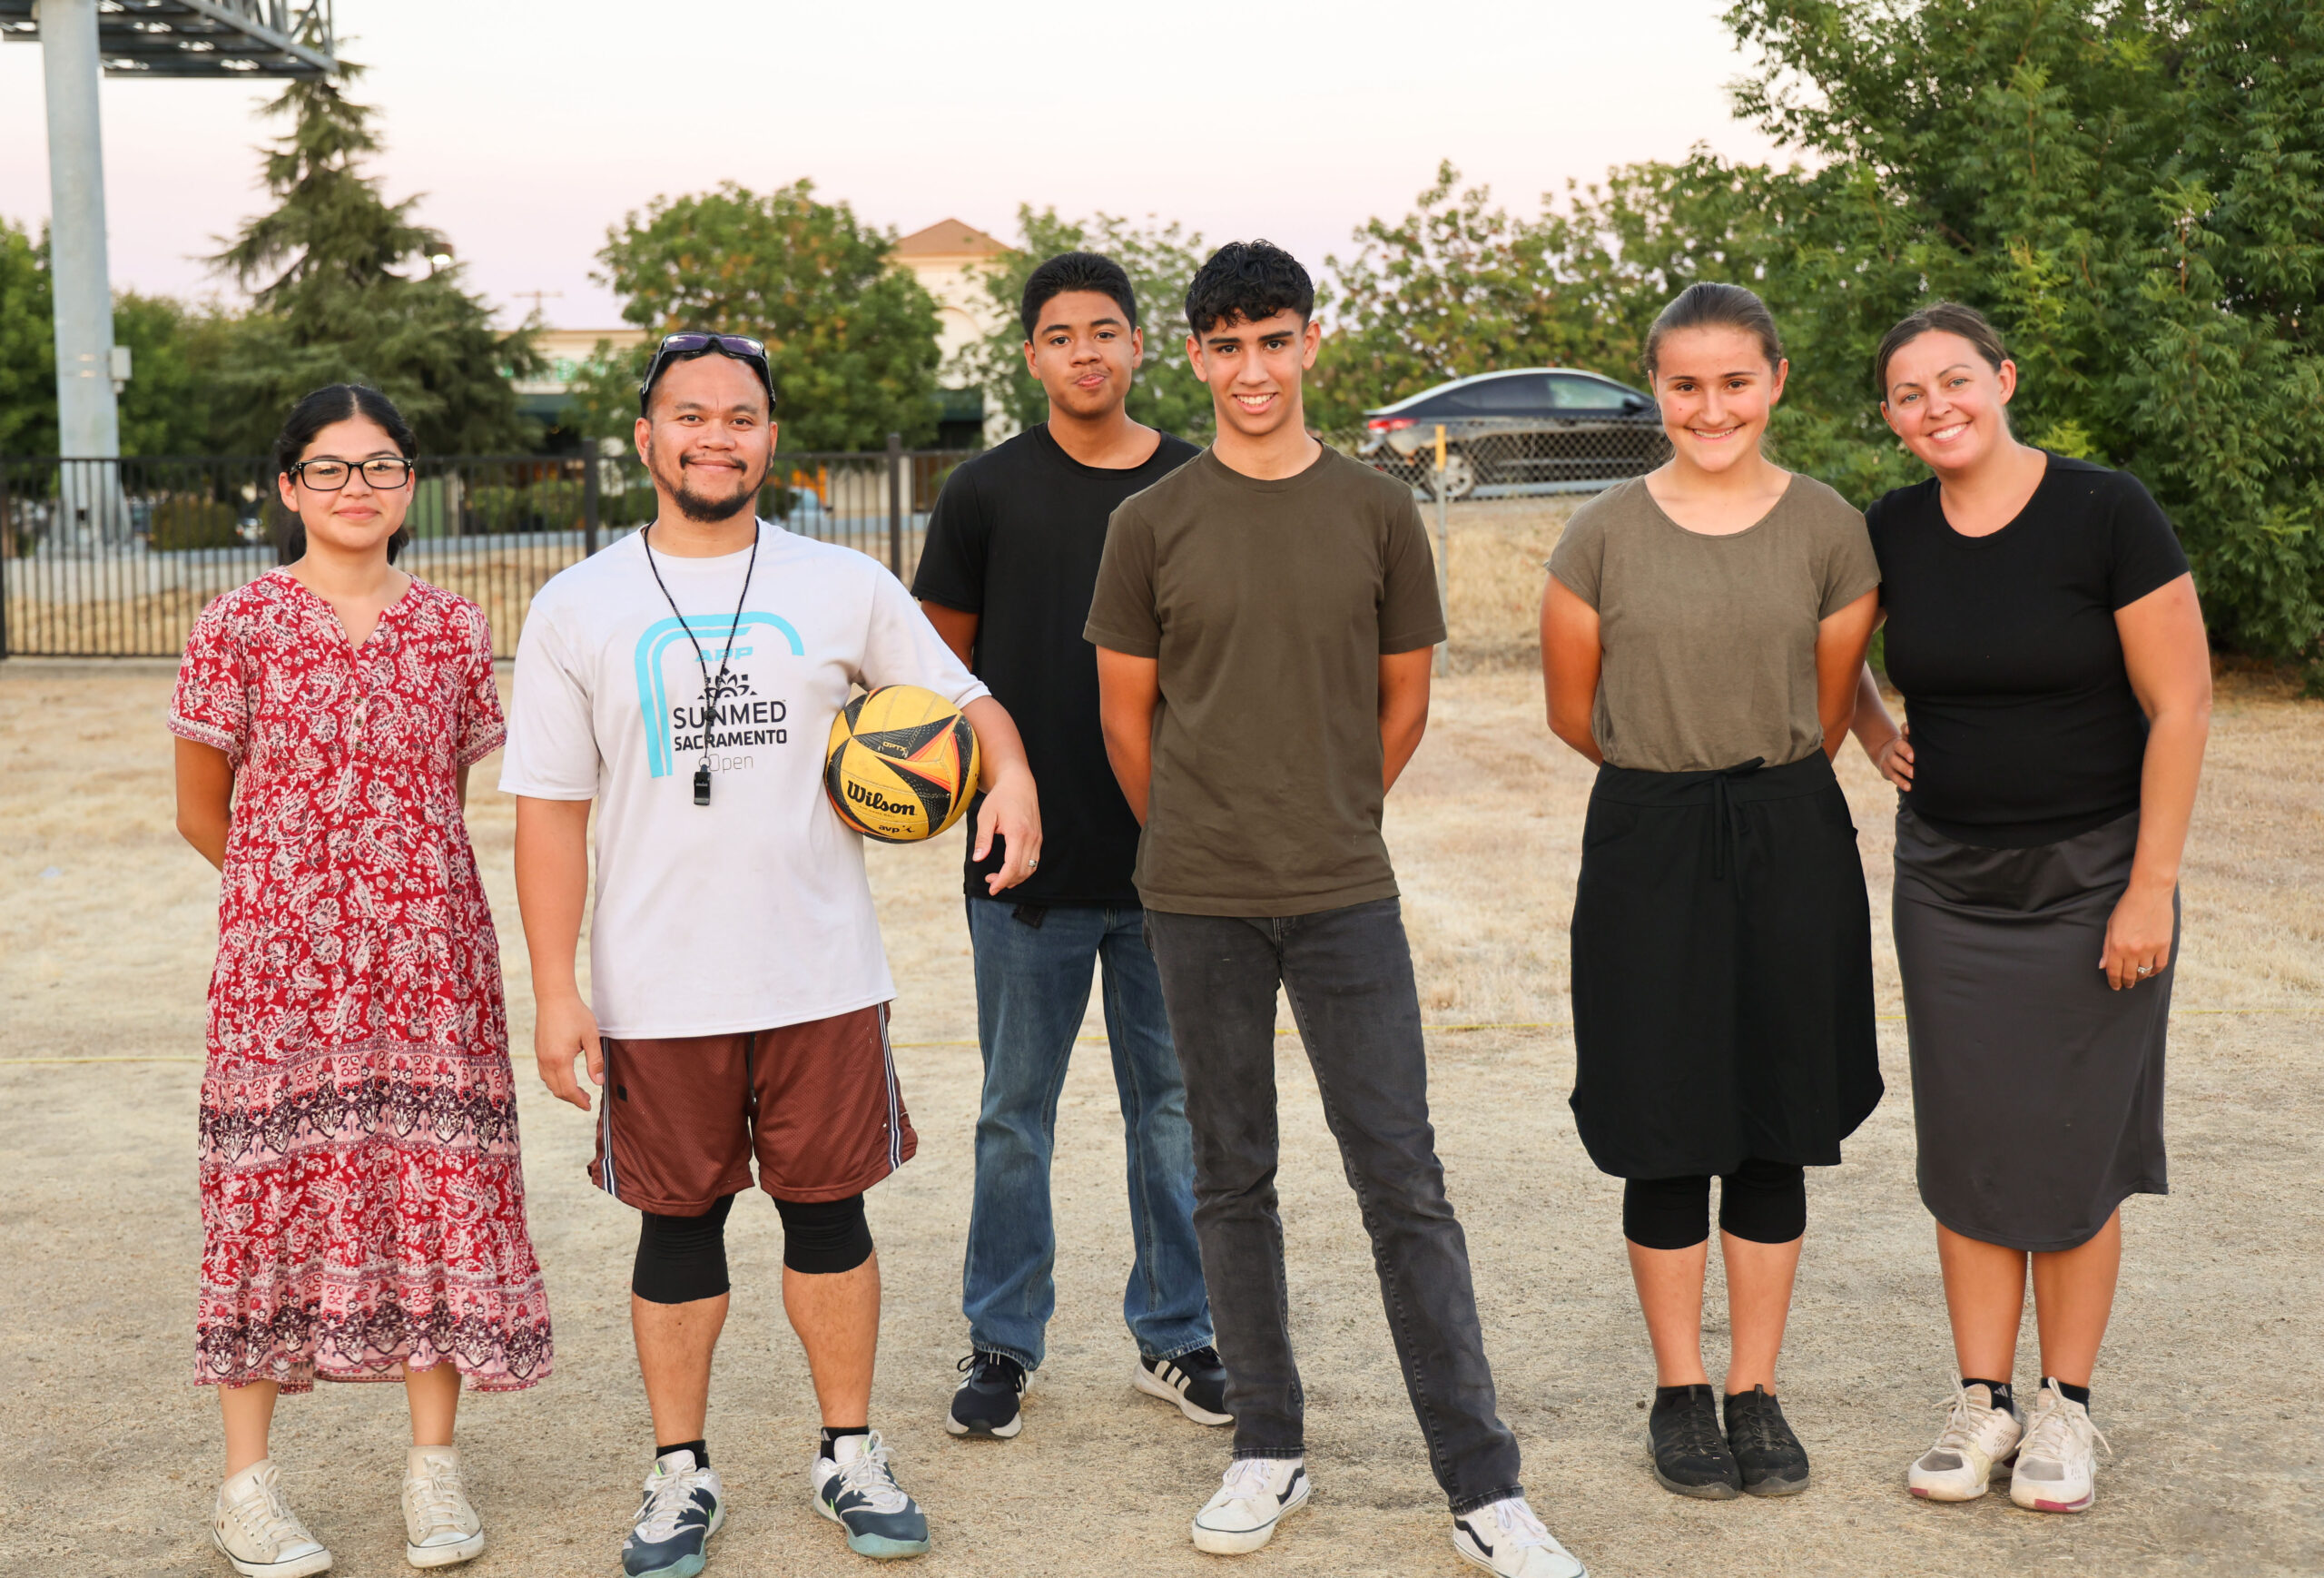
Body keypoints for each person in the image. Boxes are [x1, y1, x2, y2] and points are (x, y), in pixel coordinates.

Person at [501, 334, 1041, 1573]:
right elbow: (549, 813)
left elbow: (962, 697)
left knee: (830, 1215)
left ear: (770, 440)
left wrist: (1008, 772)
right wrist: (556, 989)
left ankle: (849, 1450)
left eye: (740, 416)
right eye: (690, 415)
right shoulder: (578, 604)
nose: (716, 436)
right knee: (677, 1226)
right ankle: (679, 1471)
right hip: (656, 982)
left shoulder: (842, 583)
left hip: (819, 971)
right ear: (646, 438)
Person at [1088, 241, 1586, 1578]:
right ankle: (1268, 1444)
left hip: (1343, 893)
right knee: (1229, 1175)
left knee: (1402, 1177)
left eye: (1275, 340)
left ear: (1311, 342)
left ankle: (1483, 1484)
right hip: (1197, 899)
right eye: (1227, 345)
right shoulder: (1149, 525)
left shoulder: (1376, 510)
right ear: (1196, 357)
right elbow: (1126, 718)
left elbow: (1404, 698)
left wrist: (1329, 813)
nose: (1252, 369)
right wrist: (1195, 834)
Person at [171, 383, 550, 1577]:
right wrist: (296, 900)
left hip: (431, 964)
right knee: (264, 1195)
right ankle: (246, 1485)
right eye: (329, 469)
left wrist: (386, 898)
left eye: (380, 466)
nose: (356, 488)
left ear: (410, 484)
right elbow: (200, 808)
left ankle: (434, 1465)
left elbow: (446, 795)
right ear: (289, 487)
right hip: (280, 973)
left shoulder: (452, 628)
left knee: (432, 1186)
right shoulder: (236, 623)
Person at [1849, 302, 2211, 1514]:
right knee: (1967, 1140)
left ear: (2002, 379)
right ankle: (1982, 1402)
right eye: (1910, 394)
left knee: (2072, 1144)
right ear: (1892, 419)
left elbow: (2182, 704)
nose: (1936, 406)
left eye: (1956, 379)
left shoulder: (2107, 510)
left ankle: (2067, 1406)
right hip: (1946, 883)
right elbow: (1826, 649)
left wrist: (2149, 886)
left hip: (2095, 880)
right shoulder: (1892, 529)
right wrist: (1872, 728)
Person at [1539, 282, 1883, 1503]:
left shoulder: (1833, 529)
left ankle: (1755, 1388)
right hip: (1650, 838)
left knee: (1776, 1118)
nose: (1711, 406)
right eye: (1685, 384)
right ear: (1656, 391)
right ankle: (1681, 1390)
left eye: (1735, 380)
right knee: (1667, 1117)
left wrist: (1748, 789)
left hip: (1789, 827)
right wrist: (1674, 785)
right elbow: (1573, 711)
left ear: (1776, 381)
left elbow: (1830, 710)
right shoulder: (1601, 535)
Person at [911, 252, 1226, 1439]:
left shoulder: (1199, 484)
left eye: (1104, 330)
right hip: (1025, 868)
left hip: (1174, 865)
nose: (1084, 351)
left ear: (1139, 345)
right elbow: (937, 674)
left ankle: (1180, 1336)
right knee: (1014, 1114)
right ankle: (1003, 1339)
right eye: (1059, 334)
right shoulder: (984, 492)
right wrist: (999, 781)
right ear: (1031, 355)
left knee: (1175, 1110)